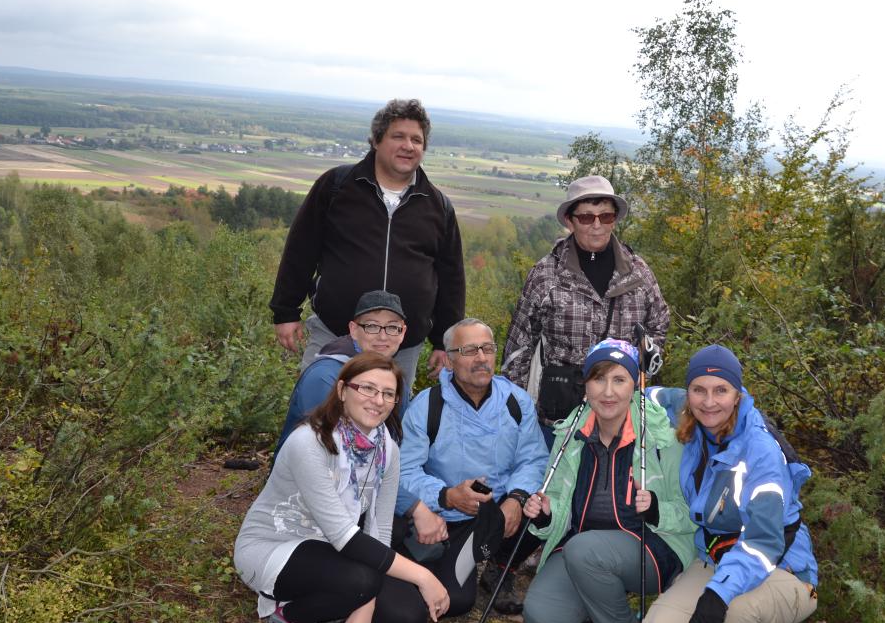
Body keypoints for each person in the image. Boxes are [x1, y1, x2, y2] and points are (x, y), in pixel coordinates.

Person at [234, 352, 450, 623]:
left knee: (405, 617)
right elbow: (346, 537)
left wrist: (365, 605)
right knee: (362, 581)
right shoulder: (310, 442)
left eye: (388, 393)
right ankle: (287, 621)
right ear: (342, 390)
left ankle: (336, 601)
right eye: (367, 388)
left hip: (330, 547)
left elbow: (380, 527)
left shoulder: (386, 449)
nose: (378, 400)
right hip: (273, 546)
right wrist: (423, 576)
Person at [641, 344, 819, 623]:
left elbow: (763, 542)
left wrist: (719, 593)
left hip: (782, 567)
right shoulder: (692, 415)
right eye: (699, 390)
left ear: (737, 393)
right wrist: (624, 387)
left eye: (720, 390)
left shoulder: (761, 452)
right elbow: (653, 395)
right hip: (716, 555)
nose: (709, 402)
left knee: (736, 604)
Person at [520, 339, 695, 623]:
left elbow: (692, 515)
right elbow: (558, 504)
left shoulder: (663, 438)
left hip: (651, 547)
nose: (608, 391)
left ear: (635, 386)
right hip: (584, 548)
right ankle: (603, 596)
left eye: (619, 380)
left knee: (584, 550)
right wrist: (544, 515)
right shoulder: (570, 434)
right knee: (543, 616)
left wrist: (657, 509)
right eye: (598, 379)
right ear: (585, 386)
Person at [269, 98, 466, 391]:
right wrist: (285, 311)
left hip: (402, 348)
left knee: (387, 417)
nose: (408, 146)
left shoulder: (438, 206)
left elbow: (451, 279)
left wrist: (444, 340)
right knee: (317, 409)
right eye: (398, 136)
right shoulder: (337, 186)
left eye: (416, 140)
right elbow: (301, 250)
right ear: (376, 140)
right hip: (334, 334)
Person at [502, 175, 670, 445]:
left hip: (620, 418)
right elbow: (519, 347)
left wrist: (636, 368)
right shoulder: (546, 274)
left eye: (606, 216)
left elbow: (659, 324)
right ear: (570, 221)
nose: (597, 225)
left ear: (615, 220)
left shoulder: (637, 272)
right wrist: (518, 413)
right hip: (558, 417)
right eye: (586, 217)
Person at [398, 319, 550, 616]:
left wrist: (516, 498)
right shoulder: (428, 406)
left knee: (544, 510)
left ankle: (501, 566)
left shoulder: (516, 401)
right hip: (448, 515)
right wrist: (446, 496)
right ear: (449, 360)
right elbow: (403, 471)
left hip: (500, 508)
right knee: (456, 601)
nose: (481, 358)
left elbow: (533, 459)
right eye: (469, 350)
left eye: (487, 349)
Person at [274, 290, 410, 456]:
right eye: (372, 326)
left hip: (371, 467)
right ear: (353, 329)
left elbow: (396, 440)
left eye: (392, 327)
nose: (383, 337)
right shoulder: (324, 376)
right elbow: (320, 445)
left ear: (402, 333)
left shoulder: (396, 381)